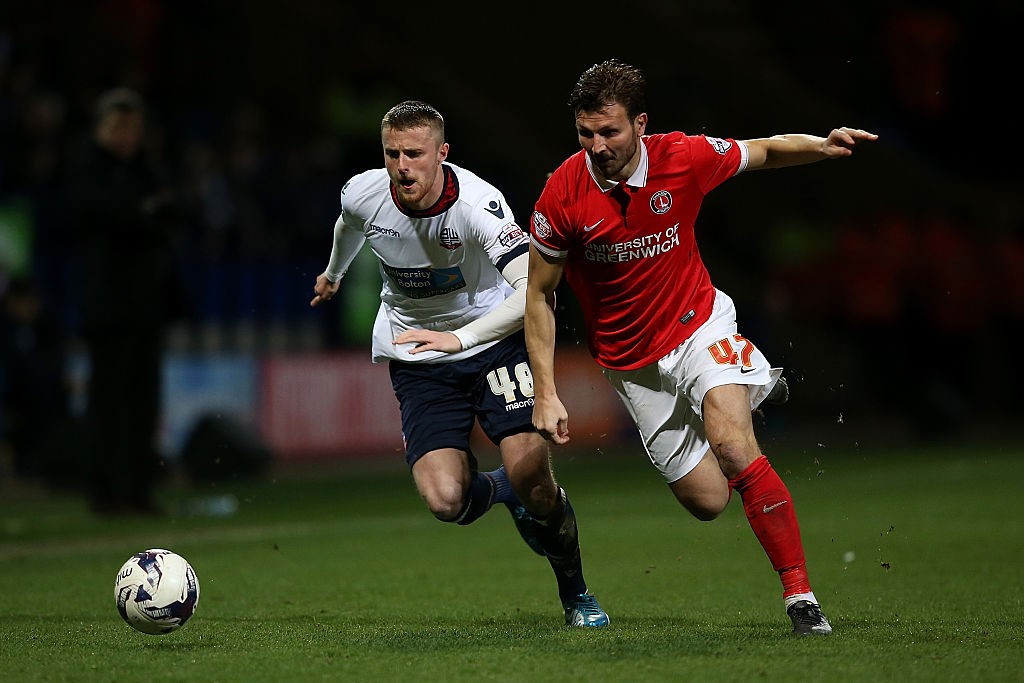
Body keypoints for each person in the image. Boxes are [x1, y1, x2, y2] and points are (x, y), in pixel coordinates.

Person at [525, 59, 878, 636]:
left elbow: (762, 150)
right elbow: (539, 296)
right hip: (632, 365)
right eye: (585, 134)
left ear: (640, 124)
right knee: (709, 499)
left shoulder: (683, 157)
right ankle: (752, 380)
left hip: (698, 326)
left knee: (734, 448)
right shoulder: (563, 193)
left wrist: (821, 144)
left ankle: (801, 600)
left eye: (608, 132)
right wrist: (546, 391)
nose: (596, 146)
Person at [310, 100, 609, 627]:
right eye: (392, 153)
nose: (402, 166)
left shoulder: (478, 205)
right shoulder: (363, 192)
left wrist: (462, 336)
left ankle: (576, 593)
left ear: (442, 153)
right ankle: (498, 491)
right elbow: (348, 225)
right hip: (418, 352)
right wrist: (334, 273)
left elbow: (534, 293)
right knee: (445, 500)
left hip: (492, 343)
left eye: (414, 154)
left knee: (535, 481)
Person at [68, 87, 188, 515]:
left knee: (142, 401)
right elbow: (111, 214)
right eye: (117, 126)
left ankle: (136, 489)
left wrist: (145, 212)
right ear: (100, 128)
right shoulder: (87, 168)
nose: (125, 136)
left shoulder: (144, 169)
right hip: (108, 305)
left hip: (146, 303)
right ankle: (105, 492)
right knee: (110, 401)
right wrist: (145, 212)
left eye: (131, 127)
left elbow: (171, 211)